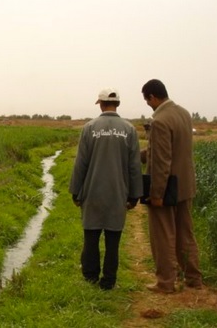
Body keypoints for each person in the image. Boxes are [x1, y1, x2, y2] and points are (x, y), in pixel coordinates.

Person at [69, 88, 143, 290]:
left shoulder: (89, 128)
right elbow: (134, 165)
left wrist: (75, 191)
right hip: (118, 193)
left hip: (92, 192)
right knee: (113, 240)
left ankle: (90, 277)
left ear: (100, 104)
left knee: (91, 237)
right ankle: (109, 281)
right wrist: (135, 195)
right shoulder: (129, 130)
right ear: (117, 104)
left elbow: (80, 163)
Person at [141, 79, 203, 293]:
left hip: (167, 187)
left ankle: (165, 282)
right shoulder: (184, 113)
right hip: (185, 185)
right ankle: (194, 278)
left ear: (152, 97)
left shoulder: (159, 121)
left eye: (147, 101)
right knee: (186, 233)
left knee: (163, 235)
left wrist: (156, 193)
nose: (148, 105)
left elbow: (161, 160)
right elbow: (174, 150)